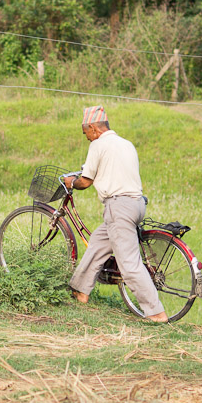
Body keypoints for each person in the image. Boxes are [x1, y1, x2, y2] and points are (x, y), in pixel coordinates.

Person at [62, 106, 169, 323]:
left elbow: (86, 181)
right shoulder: (126, 144)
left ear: (92, 128)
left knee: (129, 265)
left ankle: (156, 313)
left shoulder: (99, 145)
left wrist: (70, 182)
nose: (87, 138)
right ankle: (80, 291)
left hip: (119, 207)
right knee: (98, 243)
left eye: (86, 133)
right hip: (137, 204)